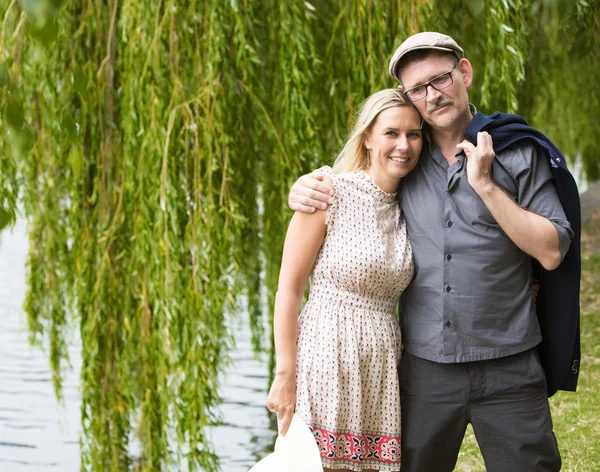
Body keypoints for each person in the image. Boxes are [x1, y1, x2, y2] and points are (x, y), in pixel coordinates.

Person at [288, 32, 577, 472]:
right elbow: (359, 188)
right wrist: (304, 187)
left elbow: (553, 252)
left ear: (464, 73)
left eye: (439, 79)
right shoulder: (406, 157)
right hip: (425, 370)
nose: (431, 95)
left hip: (510, 365)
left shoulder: (517, 151)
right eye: (417, 89)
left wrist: (486, 186)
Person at [266, 88, 424, 472]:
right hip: (326, 355)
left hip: (381, 365)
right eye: (391, 133)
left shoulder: (412, 204)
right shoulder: (328, 192)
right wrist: (284, 375)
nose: (403, 144)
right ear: (367, 137)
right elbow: (289, 289)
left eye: (414, 134)